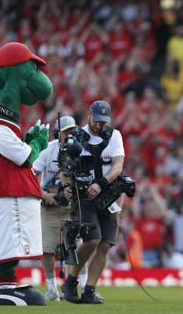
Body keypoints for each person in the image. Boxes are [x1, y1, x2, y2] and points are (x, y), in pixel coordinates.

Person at [61, 100, 125, 304]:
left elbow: (118, 166)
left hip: (108, 193)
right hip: (84, 195)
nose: (99, 125)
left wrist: (102, 183)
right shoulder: (76, 136)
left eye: (103, 122)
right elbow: (65, 167)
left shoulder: (114, 135)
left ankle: (90, 289)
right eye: (97, 121)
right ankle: (71, 281)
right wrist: (66, 186)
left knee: (106, 244)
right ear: (89, 115)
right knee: (92, 239)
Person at [32, 116, 78, 302]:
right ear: (58, 134)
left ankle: (76, 285)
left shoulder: (78, 150)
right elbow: (32, 175)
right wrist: (44, 195)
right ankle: (52, 288)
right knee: (47, 249)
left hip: (72, 206)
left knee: (75, 248)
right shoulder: (47, 150)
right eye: (67, 131)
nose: (70, 135)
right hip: (49, 205)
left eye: (72, 131)